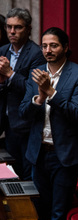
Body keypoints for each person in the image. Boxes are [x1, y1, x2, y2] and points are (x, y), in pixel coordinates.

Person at [19, 27, 78, 220]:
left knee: (58, 214)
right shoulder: (36, 72)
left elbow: (75, 113)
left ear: (65, 47)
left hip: (64, 156)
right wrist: (40, 98)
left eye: (53, 45)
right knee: (40, 209)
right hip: (38, 153)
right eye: (44, 46)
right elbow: (23, 112)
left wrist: (51, 93)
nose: (48, 50)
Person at [0, 8, 46, 180]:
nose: (12, 31)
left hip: (26, 123)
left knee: (28, 173)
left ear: (28, 29)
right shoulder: (3, 50)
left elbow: (33, 89)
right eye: (9, 27)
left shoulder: (37, 54)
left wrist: (10, 73)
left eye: (17, 27)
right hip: (8, 121)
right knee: (12, 171)